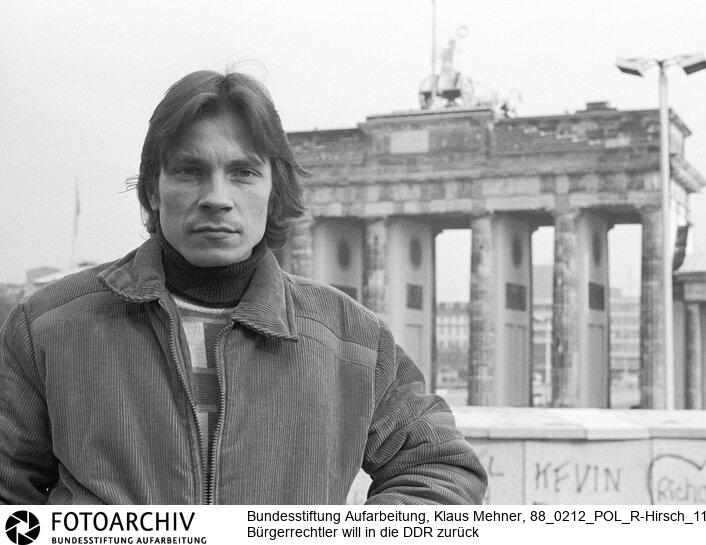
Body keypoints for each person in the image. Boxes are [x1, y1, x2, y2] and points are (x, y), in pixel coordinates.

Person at [0, 70, 487, 504]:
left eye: (243, 173)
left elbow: (442, 467)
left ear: (274, 192)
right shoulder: (47, 326)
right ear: (152, 189)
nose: (217, 198)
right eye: (190, 171)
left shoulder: (353, 340)